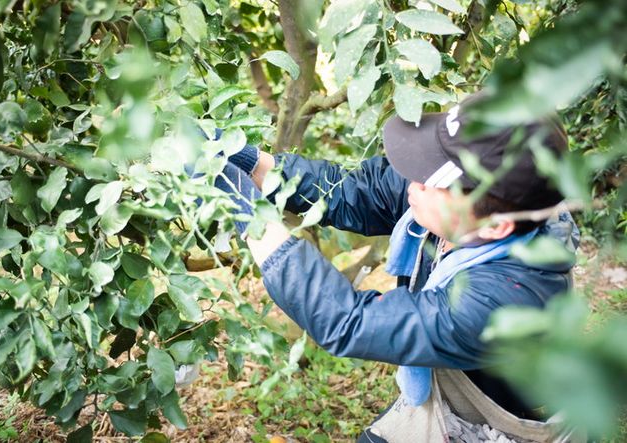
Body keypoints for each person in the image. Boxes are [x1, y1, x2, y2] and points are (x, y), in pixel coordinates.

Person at [210, 92, 583, 442]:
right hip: (446, 384)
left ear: (495, 225)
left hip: (493, 421)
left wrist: (248, 214)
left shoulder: (502, 300)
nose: (414, 183)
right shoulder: (470, 206)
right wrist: (250, 161)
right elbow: (352, 192)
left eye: (434, 181)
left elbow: (349, 322)